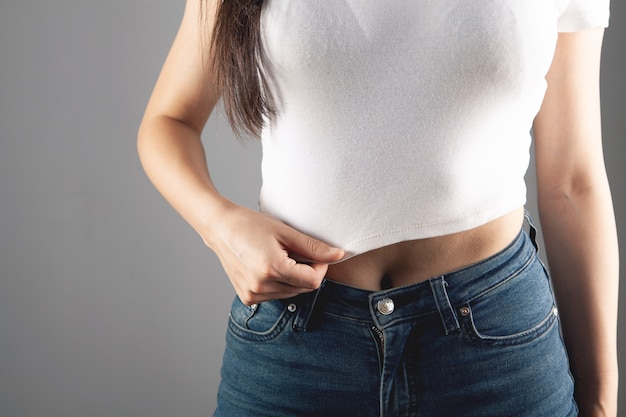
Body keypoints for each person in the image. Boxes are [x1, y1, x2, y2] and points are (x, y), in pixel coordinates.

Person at [137, 0, 618, 415]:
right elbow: (168, 119)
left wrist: (600, 403)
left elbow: (573, 182)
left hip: (494, 346)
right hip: (296, 342)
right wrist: (220, 225)